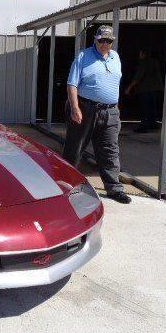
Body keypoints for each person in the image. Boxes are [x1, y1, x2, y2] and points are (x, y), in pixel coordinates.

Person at [63, 25, 131, 204]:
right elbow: (72, 84)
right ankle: (68, 187)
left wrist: (115, 106)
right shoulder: (83, 56)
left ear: (112, 42)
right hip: (85, 109)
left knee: (110, 151)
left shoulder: (115, 57)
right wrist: (74, 108)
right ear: (95, 39)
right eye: (101, 40)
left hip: (110, 111)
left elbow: (114, 84)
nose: (104, 44)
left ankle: (114, 189)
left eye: (108, 41)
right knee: (75, 148)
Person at [125, 49, 163, 132]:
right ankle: (152, 124)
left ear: (143, 54)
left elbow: (138, 77)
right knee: (152, 107)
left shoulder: (144, 63)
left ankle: (144, 126)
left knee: (144, 108)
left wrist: (129, 88)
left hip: (145, 89)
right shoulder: (155, 62)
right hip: (154, 89)